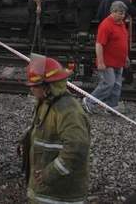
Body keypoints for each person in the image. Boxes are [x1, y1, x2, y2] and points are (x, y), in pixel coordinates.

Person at [19, 54, 90, 203]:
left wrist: (49, 174)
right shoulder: (46, 103)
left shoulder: (69, 111)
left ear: (48, 87)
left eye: (34, 86)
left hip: (60, 195)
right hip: (46, 191)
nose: (31, 90)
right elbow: (43, 133)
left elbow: (76, 149)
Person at [83, 1, 129, 113]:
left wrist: (126, 57)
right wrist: (100, 62)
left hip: (119, 60)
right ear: (113, 12)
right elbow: (99, 44)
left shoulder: (121, 23)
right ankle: (89, 101)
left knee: (117, 84)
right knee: (108, 83)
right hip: (108, 61)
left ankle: (112, 106)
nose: (123, 16)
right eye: (120, 13)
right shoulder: (106, 25)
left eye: (123, 14)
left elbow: (123, 41)